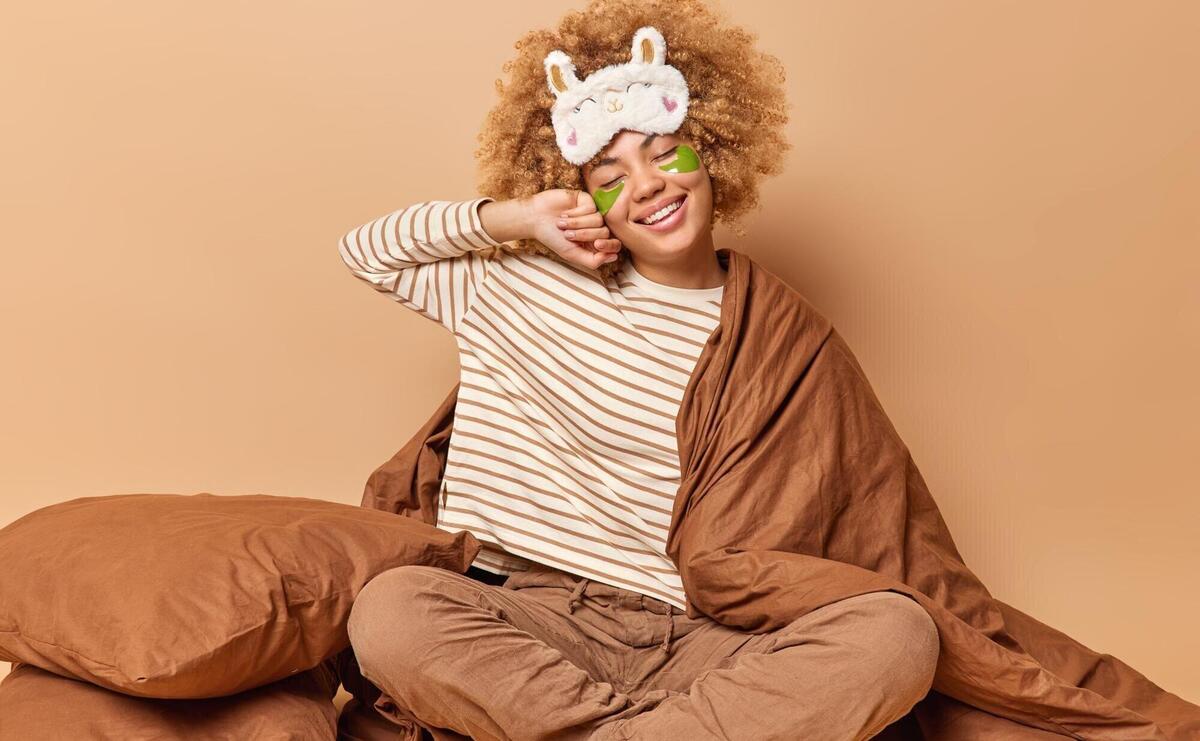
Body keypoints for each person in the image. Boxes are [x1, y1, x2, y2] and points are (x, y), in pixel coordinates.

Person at [339, 2, 939, 739]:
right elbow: (366, 251)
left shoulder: (779, 334)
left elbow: (852, 519)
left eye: (666, 153)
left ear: (712, 154)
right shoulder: (510, 282)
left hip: (695, 637)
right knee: (391, 610)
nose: (648, 185)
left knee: (897, 632)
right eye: (610, 174)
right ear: (583, 194)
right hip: (524, 616)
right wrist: (521, 218)